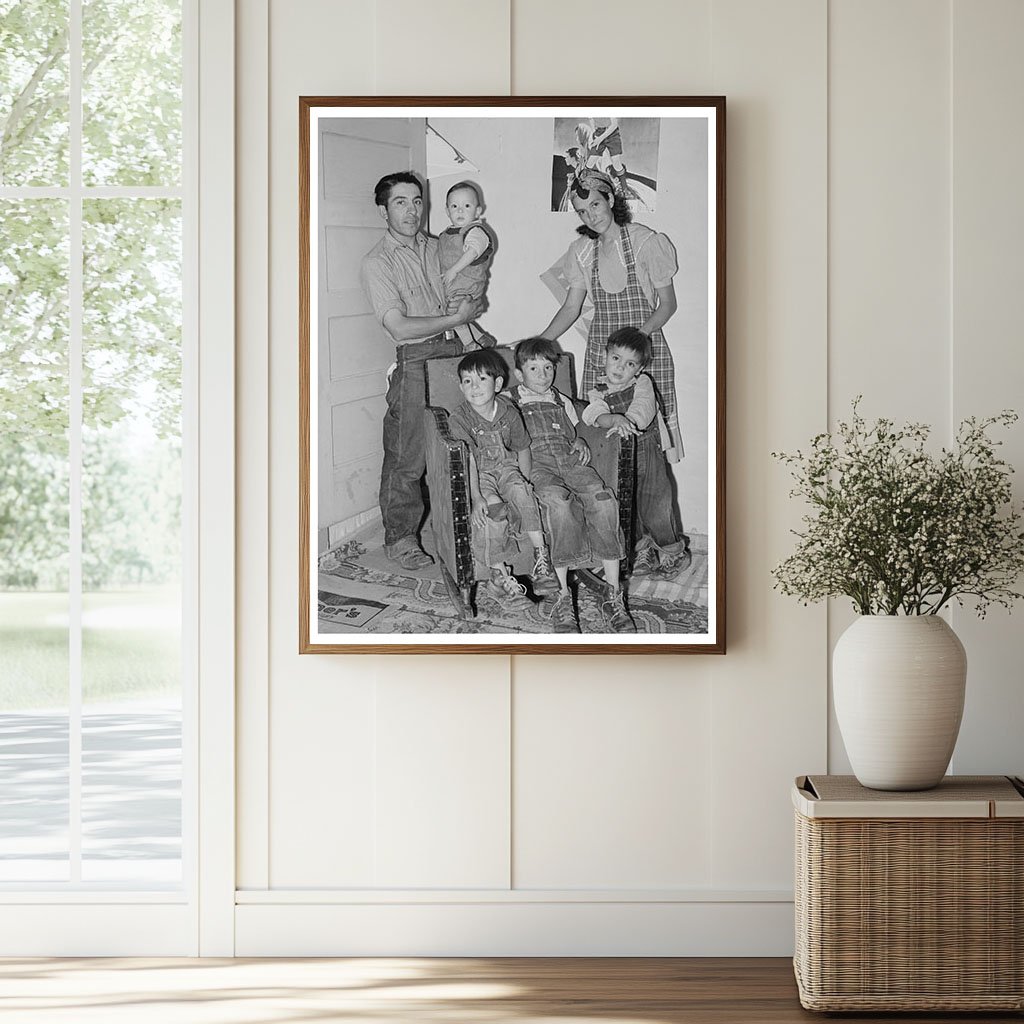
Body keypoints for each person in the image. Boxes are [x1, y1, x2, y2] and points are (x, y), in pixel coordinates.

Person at [360, 171, 483, 572]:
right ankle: (401, 539)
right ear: (384, 210)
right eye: (400, 202)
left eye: (416, 201)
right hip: (415, 359)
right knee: (406, 457)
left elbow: (470, 292)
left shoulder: (441, 246)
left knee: (464, 444)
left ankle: (468, 530)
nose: (412, 210)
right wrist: (454, 316)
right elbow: (398, 326)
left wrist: (469, 315)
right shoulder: (377, 263)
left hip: (456, 351)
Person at [539, 168, 683, 461]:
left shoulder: (645, 241)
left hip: (644, 357)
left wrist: (635, 343)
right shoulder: (580, 251)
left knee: (648, 446)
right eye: (582, 212)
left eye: (595, 204)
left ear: (609, 198)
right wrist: (540, 342)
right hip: (603, 359)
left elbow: (667, 304)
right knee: (605, 444)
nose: (591, 216)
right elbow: (571, 307)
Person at [511, 337, 635, 634]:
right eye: (533, 368)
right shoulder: (510, 401)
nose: (543, 375)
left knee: (603, 499)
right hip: (538, 465)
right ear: (519, 374)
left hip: (570, 461)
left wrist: (578, 438)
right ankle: (562, 596)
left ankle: (613, 594)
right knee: (559, 503)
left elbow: (576, 426)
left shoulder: (561, 399)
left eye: (548, 368)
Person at [446, 348, 559, 614]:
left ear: (497, 384)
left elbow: (522, 448)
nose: (474, 387)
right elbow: (469, 461)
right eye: (467, 381)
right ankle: (498, 576)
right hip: (479, 474)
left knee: (522, 492)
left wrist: (526, 479)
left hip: (507, 468)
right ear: (461, 386)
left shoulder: (508, 412)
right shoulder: (459, 418)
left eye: (481, 380)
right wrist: (476, 499)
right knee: (494, 509)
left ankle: (541, 558)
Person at [582, 327, 691, 578]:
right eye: (616, 359)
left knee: (655, 502)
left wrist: (627, 421)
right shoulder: (598, 390)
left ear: (639, 369)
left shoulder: (643, 383)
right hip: (619, 455)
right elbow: (591, 414)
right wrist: (610, 419)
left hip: (647, 450)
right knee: (627, 503)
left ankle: (671, 551)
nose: (620, 367)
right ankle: (642, 550)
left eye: (630, 363)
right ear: (605, 357)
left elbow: (644, 407)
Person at [437, 181, 495, 349]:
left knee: (453, 315)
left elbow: (473, 251)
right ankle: (481, 339)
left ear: (477, 211)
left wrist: (454, 271)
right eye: (454, 206)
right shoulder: (446, 234)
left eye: (467, 206)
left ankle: (470, 344)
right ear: (447, 211)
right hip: (454, 285)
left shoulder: (475, 231)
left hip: (467, 284)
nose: (460, 210)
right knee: (452, 315)